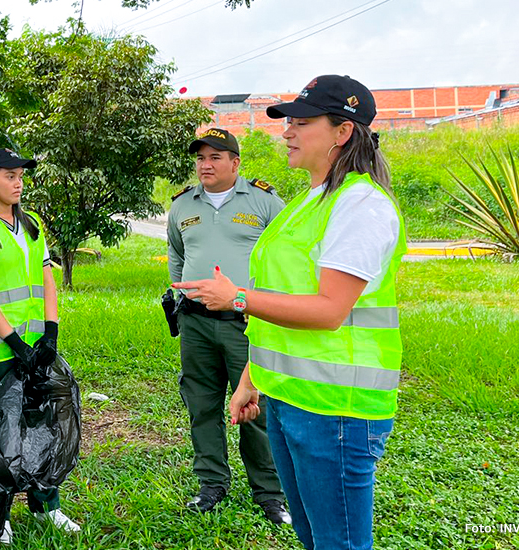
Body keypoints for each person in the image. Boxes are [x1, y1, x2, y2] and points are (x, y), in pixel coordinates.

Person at [172, 75, 405, 550]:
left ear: (342, 132)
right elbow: (283, 296)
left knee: (337, 541)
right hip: (289, 398)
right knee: (312, 536)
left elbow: (329, 309)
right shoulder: (307, 202)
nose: (287, 132)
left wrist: (236, 298)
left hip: (337, 409)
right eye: (289, 122)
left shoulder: (360, 204)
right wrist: (251, 380)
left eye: (302, 122)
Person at [0, 148, 81, 544]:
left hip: (35, 344)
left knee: (42, 424)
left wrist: (51, 331)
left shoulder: (32, 225)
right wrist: (12, 341)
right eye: (9, 175)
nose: (18, 181)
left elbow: (47, 279)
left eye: (21, 175)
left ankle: (48, 507)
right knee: (3, 434)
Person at [166, 128, 290, 524]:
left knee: (255, 406)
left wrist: (265, 305)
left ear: (235, 163)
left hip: (247, 322)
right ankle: (212, 483)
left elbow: (284, 257)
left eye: (216, 157)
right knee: (201, 403)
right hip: (196, 322)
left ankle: (269, 493)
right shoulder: (183, 205)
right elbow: (176, 251)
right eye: (201, 158)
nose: (206, 164)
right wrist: (182, 297)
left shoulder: (264, 201)